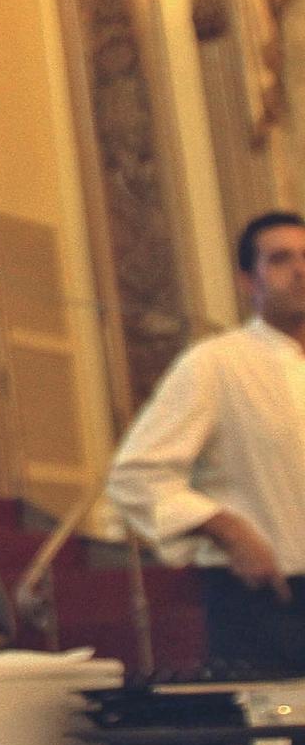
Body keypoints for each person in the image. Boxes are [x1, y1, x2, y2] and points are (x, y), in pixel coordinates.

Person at [108, 210, 305, 674]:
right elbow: (136, 475)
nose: (300, 269)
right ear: (246, 280)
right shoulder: (216, 363)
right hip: (267, 603)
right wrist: (227, 529)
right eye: (280, 259)